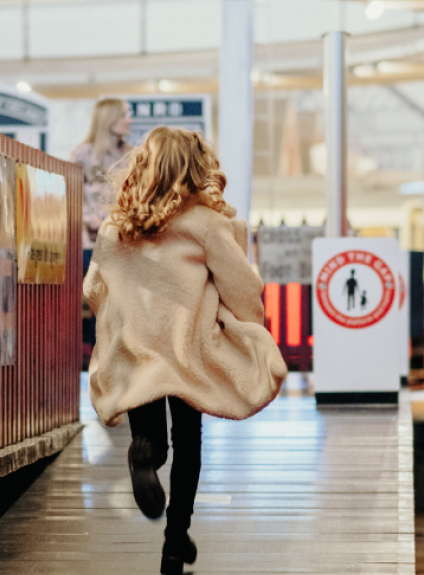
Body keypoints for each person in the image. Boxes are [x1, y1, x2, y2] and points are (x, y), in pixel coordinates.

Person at [83, 127, 287, 575]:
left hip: (135, 349)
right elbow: (242, 288)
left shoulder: (120, 226)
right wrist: (250, 327)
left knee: (151, 436)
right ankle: (175, 541)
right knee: (189, 443)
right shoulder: (207, 224)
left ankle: (143, 456)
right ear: (197, 168)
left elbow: (93, 287)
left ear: (145, 166)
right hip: (188, 347)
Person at [71, 98, 132, 363]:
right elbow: (71, 193)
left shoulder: (132, 154)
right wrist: (91, 219)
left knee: (124, 308)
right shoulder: (82, 154)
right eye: (125, 114)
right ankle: (103, 364)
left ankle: (121, 362)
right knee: (101, 306)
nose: (129, 119)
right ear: (109, 118)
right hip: (91, 243)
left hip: (125, 243)